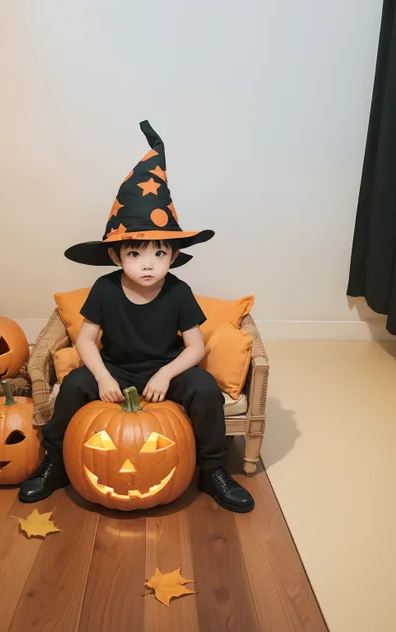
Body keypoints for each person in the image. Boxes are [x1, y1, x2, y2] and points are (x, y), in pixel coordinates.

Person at [19, 121, 255, 513]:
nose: (148, 265)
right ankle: (55, 463)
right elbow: (84, 340)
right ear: (116, 256)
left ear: (173, 256)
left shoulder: (178, 291)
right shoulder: (105, 290)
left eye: (159, 254)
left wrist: (166, 374)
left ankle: (213, 470)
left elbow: (195, 346)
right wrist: (103, 376)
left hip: (166, 368)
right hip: (117, 368)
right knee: (74, 386)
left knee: (206, 389)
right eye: (135, 254)